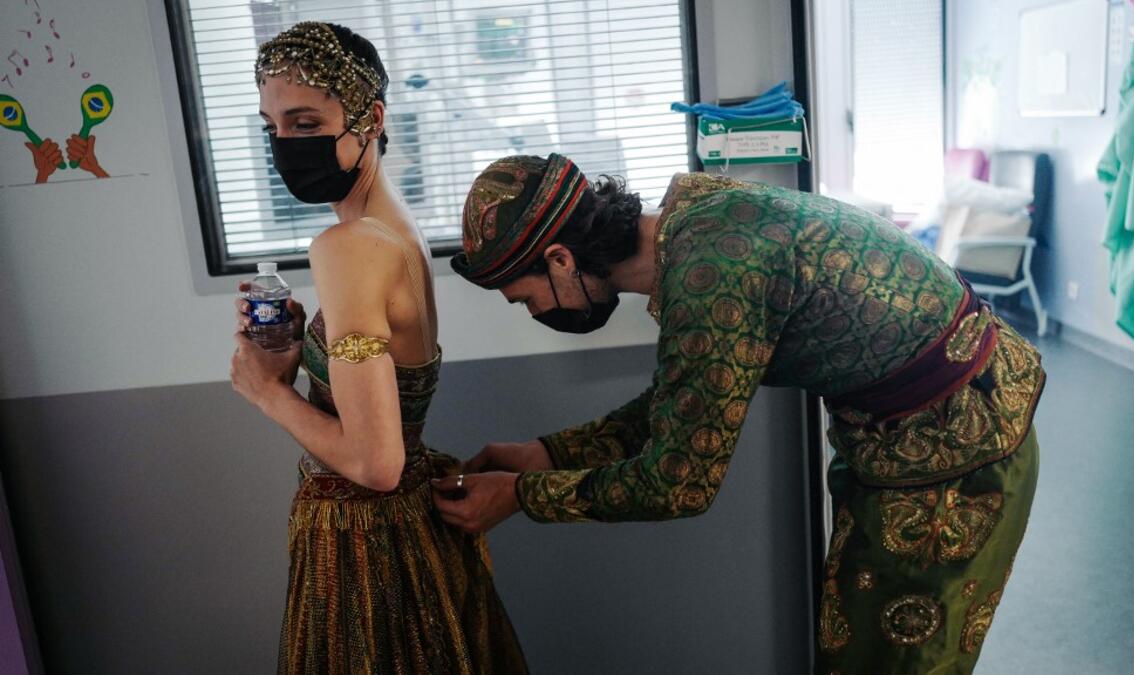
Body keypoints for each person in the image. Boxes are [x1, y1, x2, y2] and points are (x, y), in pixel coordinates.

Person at [432, 154, 1043, 673]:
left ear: (561, 260)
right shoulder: (695, 216)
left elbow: (678, 483)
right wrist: (550, 454)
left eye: (525, 297)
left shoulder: (710, 275)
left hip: (957, 448)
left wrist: (521, 496)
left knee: (899, 660)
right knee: (854, 644)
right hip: (905, 435)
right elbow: (686, 400)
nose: (534, 312)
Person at [229, 22, 526, 674]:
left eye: (305, 124)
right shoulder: (394, 230)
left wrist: (267, 391)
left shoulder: (349, 246)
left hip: (367, 547)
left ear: (372, 118)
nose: (284, 146)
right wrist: (307, 343)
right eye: (270, 127)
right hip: (408, 531)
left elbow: (375, 462)